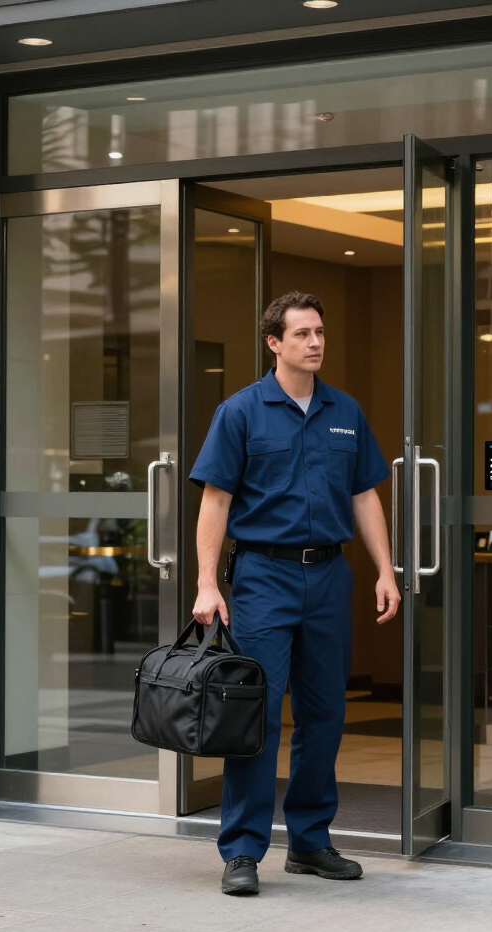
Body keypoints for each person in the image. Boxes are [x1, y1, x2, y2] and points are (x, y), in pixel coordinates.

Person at [189, 290, 401, 896]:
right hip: (264, 577)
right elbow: (216, 501)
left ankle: (310, 841)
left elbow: (365, 496)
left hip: (330, 576)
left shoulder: (345, 412)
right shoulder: (241, 412)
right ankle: (243, 851)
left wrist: (386, 570)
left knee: (325, 714)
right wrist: (208, 582)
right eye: (302, 334)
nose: (315, 342)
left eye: (320, 333)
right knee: (255, 713)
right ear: (274, 343)